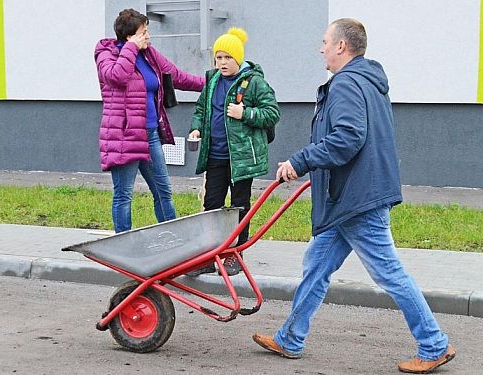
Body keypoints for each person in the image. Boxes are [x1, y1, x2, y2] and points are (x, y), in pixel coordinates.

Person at [252, 18, 455, 374]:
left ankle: (434, 344)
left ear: (342, 46)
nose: (321, 49)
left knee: (389, 273)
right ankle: (291, 337)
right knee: (316, 266)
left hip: (358, 198)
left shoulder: (346, 84)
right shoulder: (366, 81)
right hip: (347, 196)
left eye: (325, 42)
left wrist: (301, 161)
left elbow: (347, 139)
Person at [94, 9, 204, 233]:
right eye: (144, 33)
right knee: (124, 195)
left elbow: (177, 76)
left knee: (163, 191)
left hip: (150, 135)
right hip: (124, 136)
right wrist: (131, 49)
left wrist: (211, 82)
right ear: (130, 36)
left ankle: (171, 241)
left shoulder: (150, 55)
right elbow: (118, 76)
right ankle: (122, 243)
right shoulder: (106, 54)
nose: (148, 37)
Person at [187, 28, 280, 276]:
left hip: (241, 159)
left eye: (228, 58)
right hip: (215, 156)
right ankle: (209, 256)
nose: (222, 63)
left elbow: (272, 113)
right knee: (212, 206)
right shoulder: (212, 80)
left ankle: (234, 255)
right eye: (218, 57)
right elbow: (201, 110)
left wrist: (245, 113)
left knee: (239, 206)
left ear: (238, 59)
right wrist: (197, 128)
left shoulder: (254, 82)